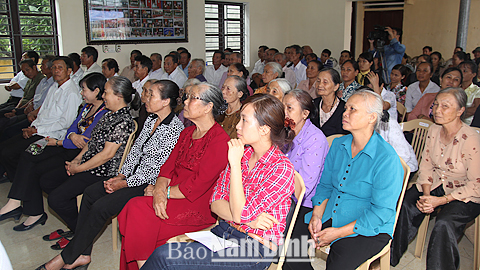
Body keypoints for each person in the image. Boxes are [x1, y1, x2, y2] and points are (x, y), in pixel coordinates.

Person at [36, 80, 184, 270]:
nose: (145, 98)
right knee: (90, 193)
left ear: (165, 101)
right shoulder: (150, 119)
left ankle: (66, 257)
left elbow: (155, 168)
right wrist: (121, 175)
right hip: (130, 177)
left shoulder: (174, 129)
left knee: (101, 207)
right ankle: (83, 254)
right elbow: (135, 151)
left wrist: (126, 183)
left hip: (148, 184)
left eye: (151, 95)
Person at [140, 94, 295, 270]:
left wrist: (235, 166)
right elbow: (215, 202)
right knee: (166, 253)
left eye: (244, 120)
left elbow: (239, 214)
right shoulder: (242, 154)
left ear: (264, 129)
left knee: (165, 257)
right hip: (225, 233)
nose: (237, 126)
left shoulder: (280, 168)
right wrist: (249, 221)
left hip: (254, 249)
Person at [117, 82, 230, 270]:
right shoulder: (187, 133)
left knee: (137, 215)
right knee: (133, 207)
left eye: (192, 98)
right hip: (171, 195)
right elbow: (166, 169)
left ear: (208, 107)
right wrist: (160, 191)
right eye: (186, 97)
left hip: (196, 203)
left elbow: (196, 186)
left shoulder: (219, 140)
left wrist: (162, 193)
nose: (185, 102)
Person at [307, 89, 403, 270]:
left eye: (353, 109)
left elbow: (381, 212)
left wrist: (337, 233)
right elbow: (325, 185)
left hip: (369, 226)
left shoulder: (386, 159)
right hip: (333, 212)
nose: (345, 112)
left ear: (372, 118)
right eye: (346, 107)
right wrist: (317, 215)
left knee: (339, 261)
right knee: (289, 241)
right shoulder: (338, 145)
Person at [0, 73, 108, 232]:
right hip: (67, 145)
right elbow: (72, 128)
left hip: (76, 154)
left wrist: (60, 141)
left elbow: (85, 142)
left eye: (84, 89)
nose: (81, 93)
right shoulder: (86, 107)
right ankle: (25, 207)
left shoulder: (104, 113)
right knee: (29, 154)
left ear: (96, 90)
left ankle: (23, 205)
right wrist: (72, 135)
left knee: (35, 165)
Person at [42, 76, 138, 250]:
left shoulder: (124, 121)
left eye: (106, 92)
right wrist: (77, 159)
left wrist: (78, 169)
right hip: (88, 164)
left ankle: (79, 234)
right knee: (47, 180)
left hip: (102, 171)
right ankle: (79, 226)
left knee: (56, 199)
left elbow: (106, 156)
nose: (103, 96)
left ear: (118, 95)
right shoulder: (109, 114)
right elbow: (92, 142)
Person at [390, 87, 480, 270]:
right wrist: (426, 195)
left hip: (465, 192)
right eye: (436, 104)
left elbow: (476, 184)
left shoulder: (470, 138)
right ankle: (390, 257)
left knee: (444, 224)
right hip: (438, 183)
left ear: (460, 111)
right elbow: (426, 165)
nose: (437, 110)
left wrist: (439, 201)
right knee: (406, 203)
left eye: (445, 106)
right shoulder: (434, 130)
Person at [0, 56, 82, 181]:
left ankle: (21, 181)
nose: (56, 71)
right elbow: (43, 112)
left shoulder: (71, 92)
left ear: (69, 71)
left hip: (51, 136)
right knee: (5, 147)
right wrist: (33, 127)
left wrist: (36, 131)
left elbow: (65, 123)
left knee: (13, 153)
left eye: (60, 68)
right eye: (54, 68)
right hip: (38, 129)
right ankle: (19, 179)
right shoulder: (54, 87)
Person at [281, 89, 329, 270]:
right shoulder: (286, 131)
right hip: (286, 196)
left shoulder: (315, 139)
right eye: (283, 107)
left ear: (305, 113)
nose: (284, 112)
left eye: (290, 108)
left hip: (308, 202)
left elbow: (305, 187)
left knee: (291, 252)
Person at [311, 68, 348, 136]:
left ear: (336, 87)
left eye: (325, 82)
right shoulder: (313, 105)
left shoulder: (344, 109)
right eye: (318, 81)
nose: (320, 85)